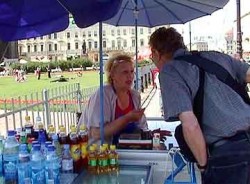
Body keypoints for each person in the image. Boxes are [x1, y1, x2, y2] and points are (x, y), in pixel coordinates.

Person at [149, 27, 250, 184]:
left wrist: (204, 167)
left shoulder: (171, 71)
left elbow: (190, 125)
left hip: (229, 156)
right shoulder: (216, 56)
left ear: (155, 52)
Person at [78, 54, 148, 145]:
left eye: (132, 72)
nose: (130, 76)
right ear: (113, 75)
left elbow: (141, 126)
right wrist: (126, 118)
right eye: (125, 72)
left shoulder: (135, 96)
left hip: (127, 151)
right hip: (98, 153)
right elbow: (96, 133)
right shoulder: (102, 95)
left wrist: (150, 134)